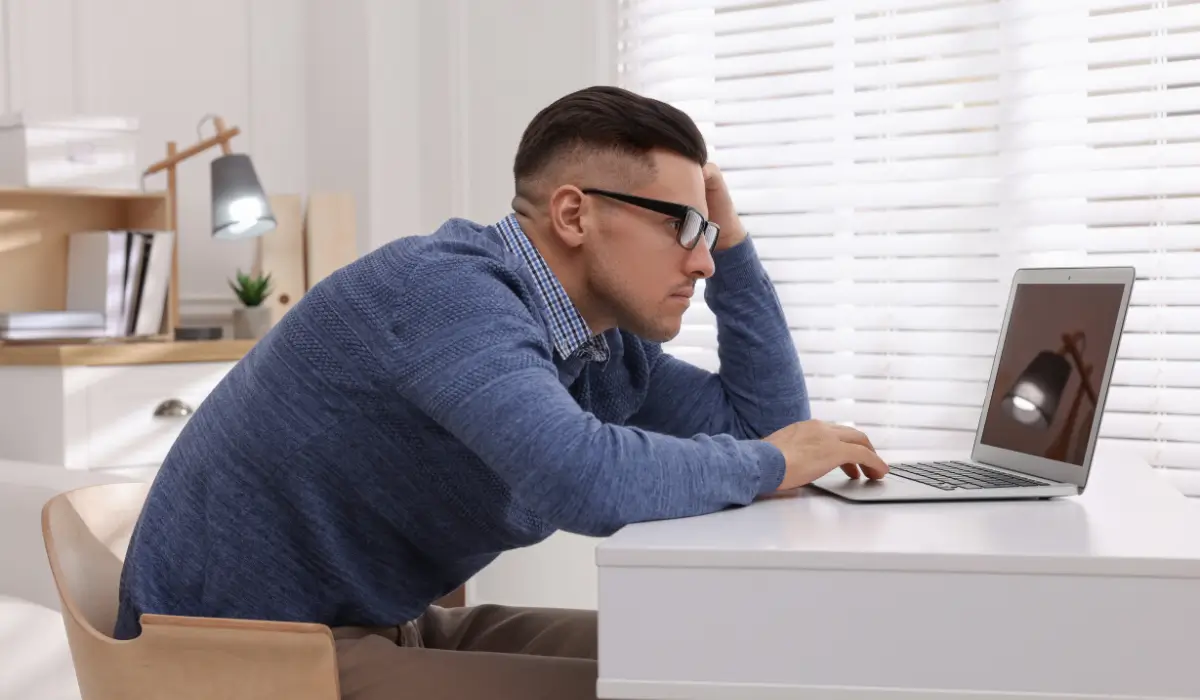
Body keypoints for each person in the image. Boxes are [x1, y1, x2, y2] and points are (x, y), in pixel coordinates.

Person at [114, 85, 888, 699]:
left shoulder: (602, 345)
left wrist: (736, 240)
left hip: (380, 626)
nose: (703, 261)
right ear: (575, 213)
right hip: (246, 655)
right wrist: (765, 462)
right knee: (670, 688)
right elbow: (580, 478)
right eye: (684, 227)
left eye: (707, 231)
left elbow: (772, 428)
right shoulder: (444, 293)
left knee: (717, 662)